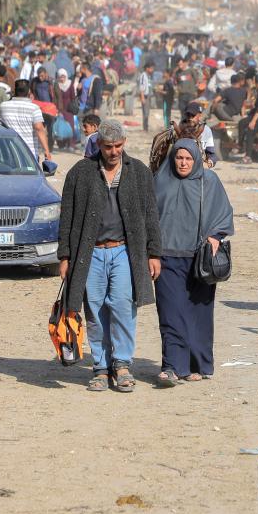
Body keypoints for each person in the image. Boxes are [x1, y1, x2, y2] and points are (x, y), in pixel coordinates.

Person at [57, 119, 162, 393]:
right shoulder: (80, 173)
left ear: (124, 143)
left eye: (117, 146)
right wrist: (65, 256)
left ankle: (123, 364)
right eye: (107, 146)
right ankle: (101, 368)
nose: (113, 152)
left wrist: (154, 253)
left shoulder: (139, 173)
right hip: (90, 253)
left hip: (125, 252)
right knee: (94, 310)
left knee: (124, 306)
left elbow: (151, 216)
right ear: (98, 145)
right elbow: (66, 218)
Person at [152, 139, 234, 386]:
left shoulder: (209, 182)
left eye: (188, 158)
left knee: (199, 314)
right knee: (170, 312)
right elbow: (148, 216)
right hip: (166, 257)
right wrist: (151, 252)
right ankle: (172, 366)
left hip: (199, 260)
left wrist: (215, 236)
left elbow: (223, 214)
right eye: (179, 158)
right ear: (173, 158)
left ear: (197, 159)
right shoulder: (160, 180)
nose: (183, 163)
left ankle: (197, 365)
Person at [0, 79, 52, 162]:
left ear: (15, 91)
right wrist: (47, 151)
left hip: (9, 152)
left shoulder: (3, 106)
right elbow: (39, 129)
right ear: (29, 91)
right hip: (29, 153)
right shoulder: (34, 108)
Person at [137, 62, 154, 132]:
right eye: (151, 68)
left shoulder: (149, 75)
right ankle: (145, 127)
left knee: (147, 112)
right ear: (147, 68)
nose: (152, 70)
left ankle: (146, 127)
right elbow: (141, 87)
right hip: (145, 96)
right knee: (145, 113)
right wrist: (142, 97)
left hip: (149, 96)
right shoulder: (143, 75)